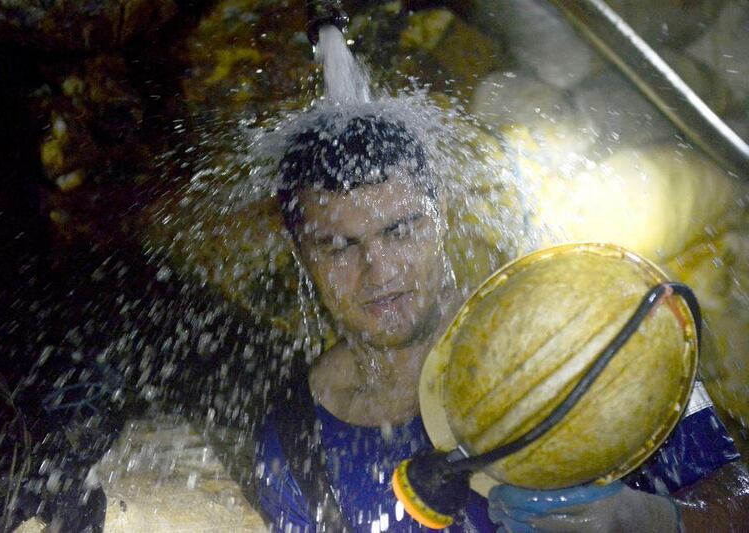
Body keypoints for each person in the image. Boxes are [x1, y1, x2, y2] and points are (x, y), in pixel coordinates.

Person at [255, 112, 747, 532]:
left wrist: (655, 520)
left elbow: (738, 497)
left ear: (440, 214)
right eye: (340, 246)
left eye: (401, 230)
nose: (379, 271)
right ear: (301, 254)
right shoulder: (297, 445)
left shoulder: (584, 326)